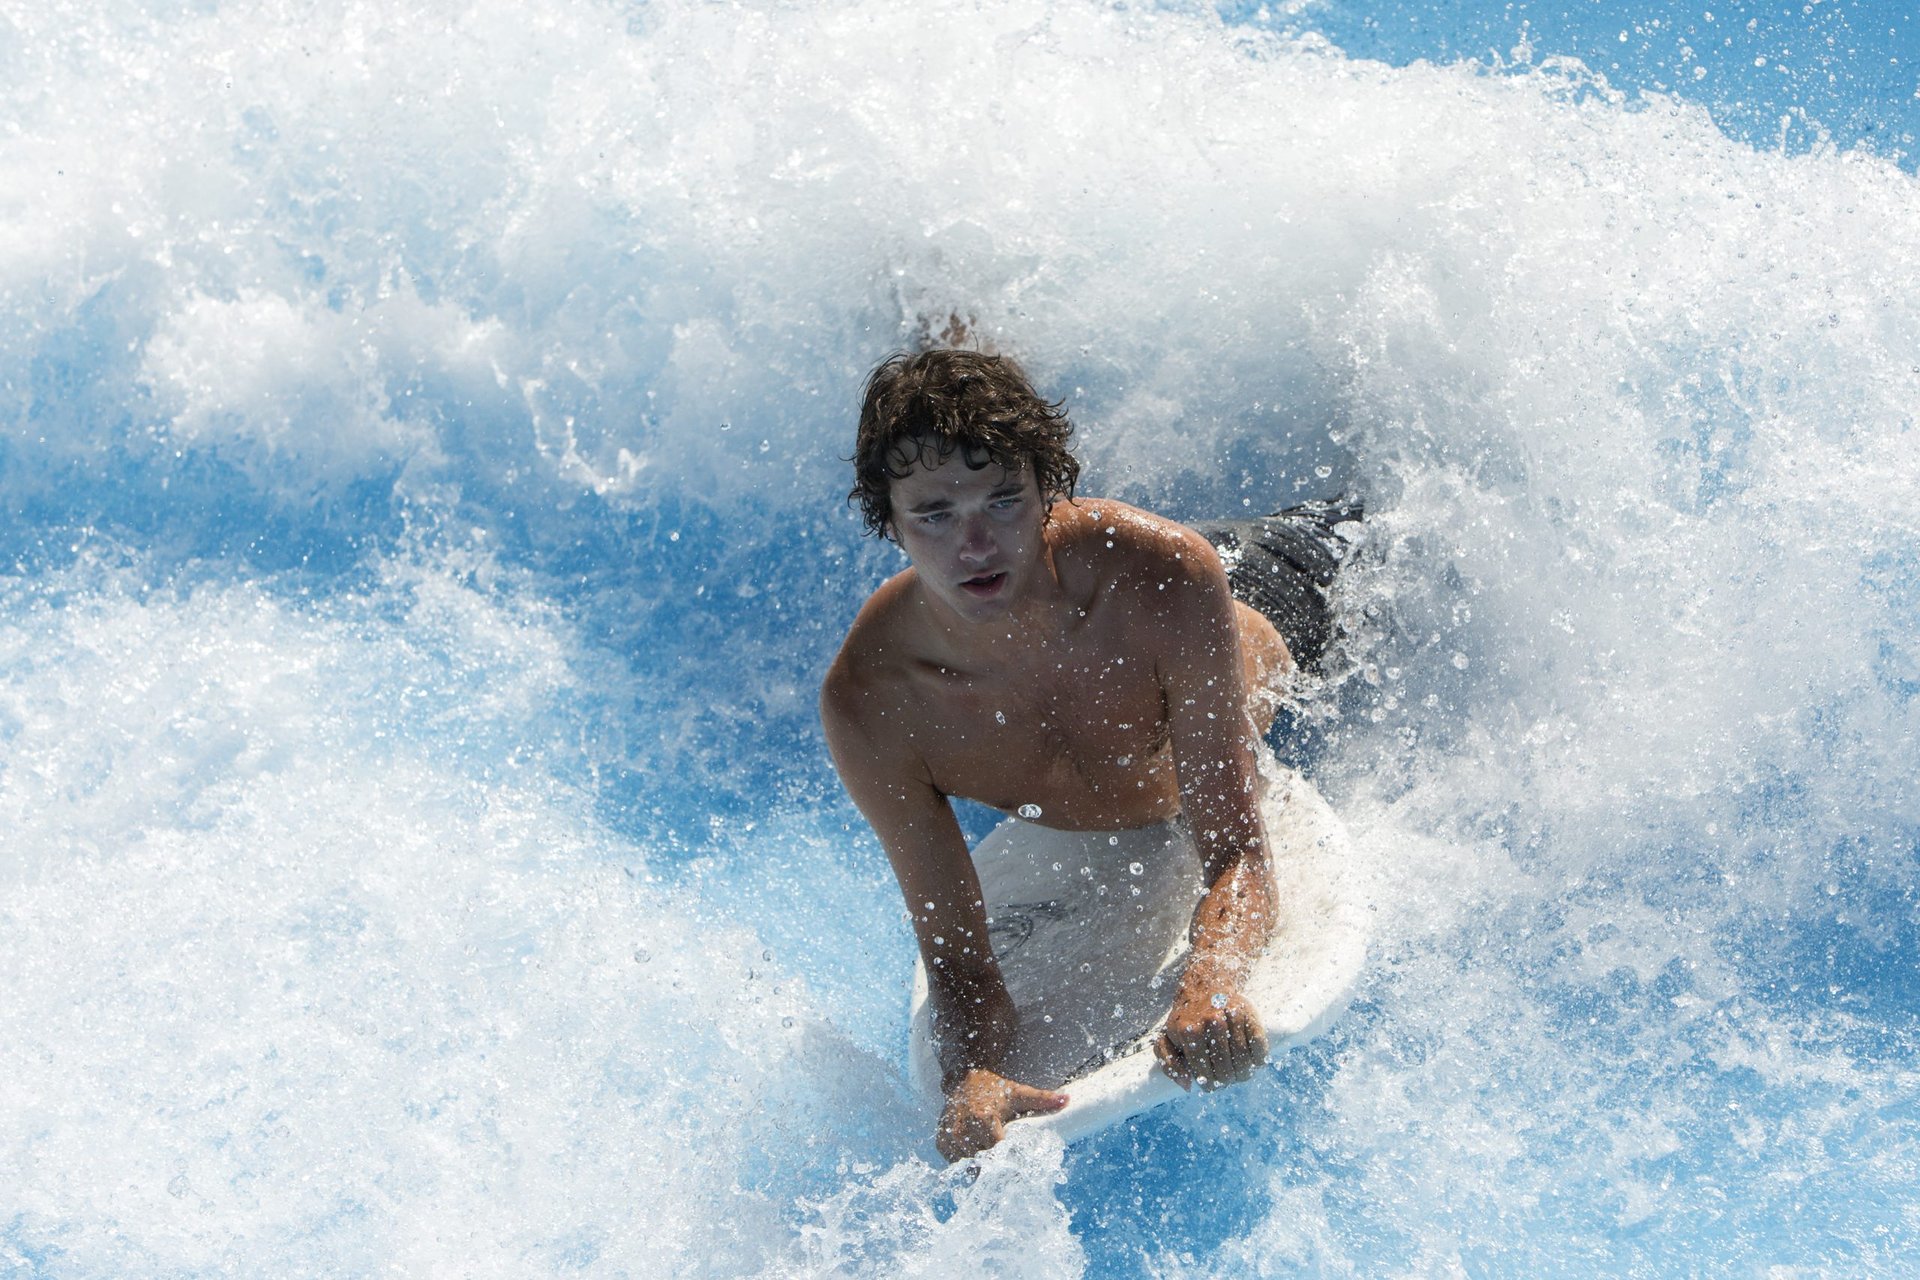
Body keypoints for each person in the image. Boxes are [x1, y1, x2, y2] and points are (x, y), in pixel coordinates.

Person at [820, 348, 1355, 1161]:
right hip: (1140, 611)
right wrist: (975, 1073)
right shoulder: (875, 706)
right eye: (934, 515)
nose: (975, 545)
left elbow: (1238, 849)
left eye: (1004, 501)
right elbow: (960, 961)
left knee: (1380, 527)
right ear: (886, 521)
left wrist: (1212, 978)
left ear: (1048, 493)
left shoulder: (1166, 574)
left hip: (1278, 587)